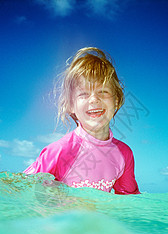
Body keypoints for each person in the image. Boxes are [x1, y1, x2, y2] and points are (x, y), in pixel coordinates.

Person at [24, 47, 139, 195]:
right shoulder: (59, 151)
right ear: (71, 105)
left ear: (116, 101)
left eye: (103, 92)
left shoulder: (124, 154)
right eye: (84, 94)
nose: (94, 100)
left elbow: (129, 201)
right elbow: (22, 187)